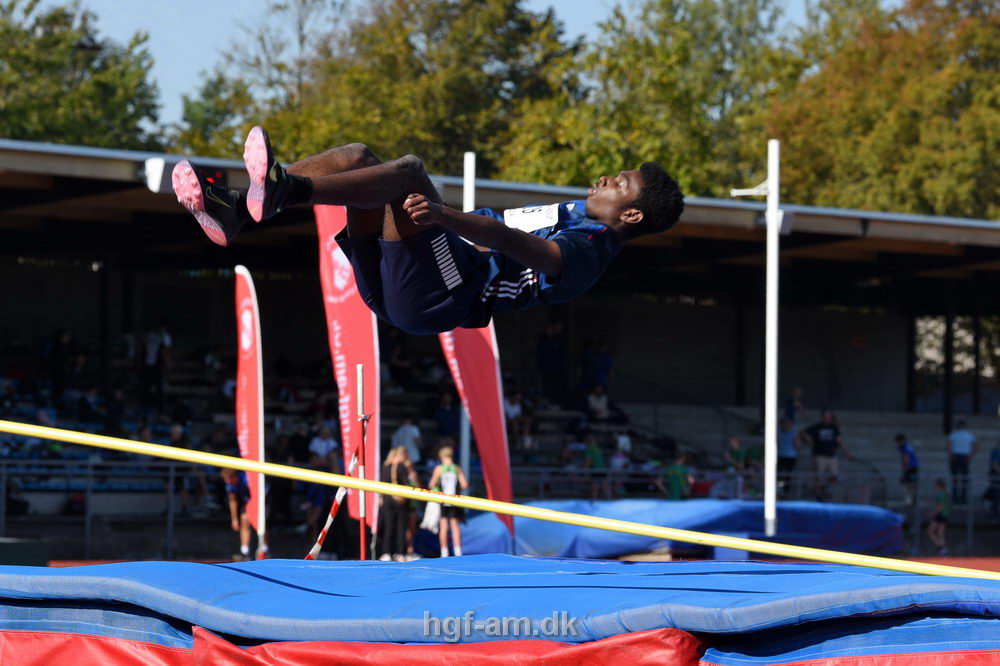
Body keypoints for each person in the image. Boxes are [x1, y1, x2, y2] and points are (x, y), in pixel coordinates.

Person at [172, 127, 684, 335]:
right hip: (412, 280)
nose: (605, 178)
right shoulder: (584, 212)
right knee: (357, 159)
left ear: (632, 216)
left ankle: (283, 191)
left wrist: (443, 217)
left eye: (619, 183)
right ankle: (235, 208)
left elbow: (507, 241)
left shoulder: (590, 249)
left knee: (411, 172)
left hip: (443, 296)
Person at [379, 446, 420, 562]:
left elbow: (381, 484)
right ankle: (400, 552)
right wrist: (412, 477)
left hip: (387, 500)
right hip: (401, 502)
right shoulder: (402, 467)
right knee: (401, 527)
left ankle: (386, 552)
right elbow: (408, 484)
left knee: (388, 527)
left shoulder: (385, 467)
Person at [428, 446, 468, 558]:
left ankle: (444, 552)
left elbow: (431, 484)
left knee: (444, 526)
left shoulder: (439, 469)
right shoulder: (456, 468)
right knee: (455, 526)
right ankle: (458, 551)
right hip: (454, 500)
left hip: (443, 500)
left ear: (441, 457)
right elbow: (465, 484)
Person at [804, 409, 850, 501]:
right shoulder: (816, 427)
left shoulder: (833, 428)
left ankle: (822, 489)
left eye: (828, 417)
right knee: (819, 476)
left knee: (834, 476)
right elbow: (803, 432)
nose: (827, 419)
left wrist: (846, 451)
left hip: (831, 456)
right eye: (825, 417)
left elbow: (839, 440)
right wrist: (809, 441)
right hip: (819, 455)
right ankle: (819, 495)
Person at [220, 468, 254, 561]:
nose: (228, 482)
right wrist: (234, 518)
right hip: (247, 500)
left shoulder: (247, 479)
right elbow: (233, 500)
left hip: (259, 497)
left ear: (235, 476)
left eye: (229, 479)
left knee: (261, 522)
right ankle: (244, 551)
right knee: (244, 520)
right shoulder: (230, 484)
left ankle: (264, 548)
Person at [946, 419, 977, 504]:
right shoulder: (969, 435)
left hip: (956, 456)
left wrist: (950, 455)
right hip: (964, 457)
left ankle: (955, 498)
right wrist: (971, 456)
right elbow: (976, 446)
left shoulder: (954, 434)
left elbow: (948, 446)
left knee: (955, 479)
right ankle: (963, 498)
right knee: (964, 479)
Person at [777, 417, 802, 494]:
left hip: (791, 456)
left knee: (789, 475)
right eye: (784, 424)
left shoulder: (794, 432)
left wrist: (797, 442)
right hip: (781, 455)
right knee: (780, 475)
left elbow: (798, 444)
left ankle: (787, 490)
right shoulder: (778, 432)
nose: (785, 425)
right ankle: (780, 488)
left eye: (787, 424)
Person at [927, 478, 950, 556]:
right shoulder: (945, 493)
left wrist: (932, 514)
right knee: (940, 533)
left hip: (940, 514)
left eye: (936, 485)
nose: (935, 487)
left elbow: (940, 507)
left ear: (939, 486)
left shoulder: (941, 494)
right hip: (945, 515)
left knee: (930, 531)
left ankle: (941, 547)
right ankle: (943, 548)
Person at [896, 433, 920, 506]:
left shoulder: (903, 447)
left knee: (907, 484)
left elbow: (906, 458)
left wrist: (905, 470)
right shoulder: (908, 446)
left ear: (900, 440)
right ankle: (913, 501)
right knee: (913, 483)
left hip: (910, 468)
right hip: (915, 467)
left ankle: (908, 501)